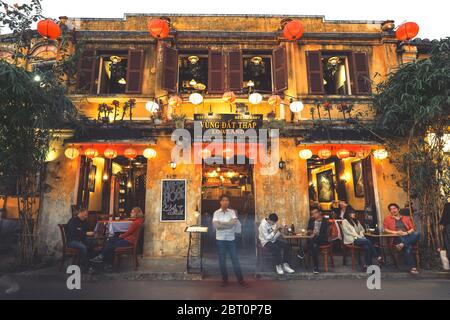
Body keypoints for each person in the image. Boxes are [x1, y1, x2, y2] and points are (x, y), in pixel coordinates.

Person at [212, 195, 246, 287]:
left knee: (235, 259)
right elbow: (217, 226)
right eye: (223, 200)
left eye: (227, 200)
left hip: (231, 239)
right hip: (220, 239)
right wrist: (227, 224)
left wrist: (222, 224)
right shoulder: (216, 213)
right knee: (222, 261)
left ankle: (240, 280)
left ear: (229, 202)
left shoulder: (232, 212)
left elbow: (232, 224)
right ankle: (224, 280)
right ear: (220, 202)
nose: (225, 202)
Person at [383, 203, 420, 275]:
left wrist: (406, 233)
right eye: (391, 209)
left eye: (394, 208)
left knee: (417, 233)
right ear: (390, 211)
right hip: (397, 237)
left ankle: (402, 244)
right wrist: (396, 232)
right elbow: (385, 230)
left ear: (398, 209)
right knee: (408, 247)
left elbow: (412, 228)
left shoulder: (405, 218)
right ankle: (412, 268)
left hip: (407, 235)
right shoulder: (387, 219)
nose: (393, 210)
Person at [307, 207, 329, 274]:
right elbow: (308, 230)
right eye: (312, 214)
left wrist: (315, 235)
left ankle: (303, 250)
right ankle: (316, 267)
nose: (313, 215)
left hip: (322, 239)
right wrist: (311, 232)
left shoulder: (325, 221)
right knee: (314, 246)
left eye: (315, 213)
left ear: (320, 213)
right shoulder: (311, 220)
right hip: (314, 240)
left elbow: (325, 234)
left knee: (314, 240)